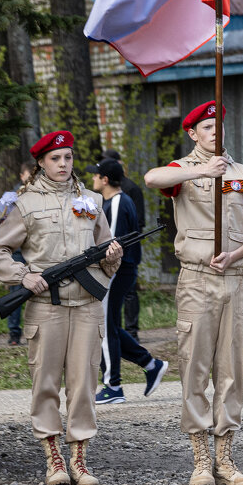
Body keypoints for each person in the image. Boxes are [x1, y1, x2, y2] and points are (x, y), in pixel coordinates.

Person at [143, 101, 243, 485]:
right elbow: (151, 179)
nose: (215, 131)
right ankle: (201, 459)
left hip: (236, 279)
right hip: (197, 280)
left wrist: (237, 253)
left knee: (232, 370)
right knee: (195, 367)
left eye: (219, 125)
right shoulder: (182, 170)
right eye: (207, 127)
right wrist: (203, 169)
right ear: (192, 133)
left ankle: (225, 457)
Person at [0, 130, 123, 485]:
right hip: (46, 307)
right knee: (45, 383)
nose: (63, 165)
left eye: (69, 158)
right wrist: (23, 275)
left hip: (87, 305)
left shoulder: (92, 199)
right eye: (55, 159)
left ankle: (79, 458)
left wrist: (113, 257)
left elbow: (105, 249)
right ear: (42, 163)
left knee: (83, 384)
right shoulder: (25, 204)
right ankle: (54, 459)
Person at [87, 159, 167, 404]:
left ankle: (113, 386)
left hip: (117, 271)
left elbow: (111, 244)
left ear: (105, 180)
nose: (92, 179)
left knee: (104, 325)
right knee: (108, 324)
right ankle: (150, 364)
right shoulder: (114, 201)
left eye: (96, 175)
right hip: (120, 271)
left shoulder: (119, 201)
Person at [103, 149, 145, 338]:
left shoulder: (128, 191)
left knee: (128, 294)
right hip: (117, 257)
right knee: (112, 312)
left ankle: (132, 330)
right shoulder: (107, 195)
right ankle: (118, 330)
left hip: (125, 256)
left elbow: (137, 224)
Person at [2, 162, 33, 346]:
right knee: (16, 293)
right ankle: (14, 333)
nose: (31, 182)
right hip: (19, 252)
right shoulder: (12, 198)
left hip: (35, 252)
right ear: (22, 176)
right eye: (29, 178)